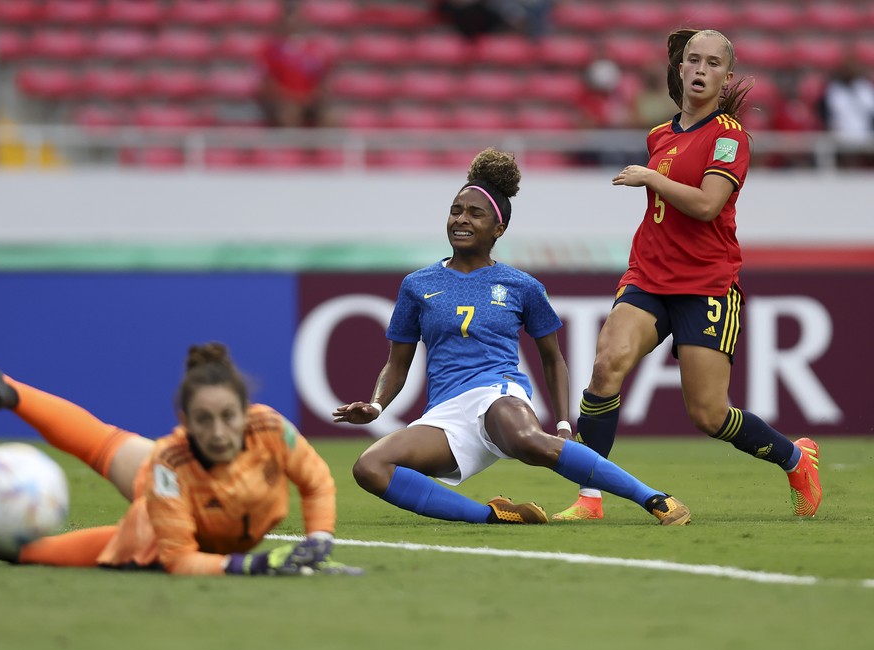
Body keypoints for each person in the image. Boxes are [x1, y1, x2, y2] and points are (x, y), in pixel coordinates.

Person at [333, 147, 691, 527]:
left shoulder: (522, 285)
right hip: (446, 412)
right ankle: (495, 517)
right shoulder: (417, 285)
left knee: (526, 439)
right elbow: (397, 363)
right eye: (456, 210)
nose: (461, 219)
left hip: (498, 392)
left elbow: (552, 359)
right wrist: (375, 406)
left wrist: (565, 424)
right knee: (370, 468)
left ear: (498, 228)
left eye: (475, 213)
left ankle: (655, 499)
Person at [550, 29, 822, 522]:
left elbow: (706, 205)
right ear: (680, 70)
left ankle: (796, 459)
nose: (701, 69)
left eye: (712, 63)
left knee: (708, 415)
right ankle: (590, 499)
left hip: (706, 285)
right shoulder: (660, 134)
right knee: (606, 365)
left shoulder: (729, 136)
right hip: (648, 276)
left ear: (726, 76)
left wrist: (652, 177)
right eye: (693, 60)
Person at [0, 323, 361, 576]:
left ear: (245, 410)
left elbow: (317, 481)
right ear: (184, 422)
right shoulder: (169, 463)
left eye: (228, 416)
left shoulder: (270, 427)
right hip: (178, 515)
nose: (217, 431)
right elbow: (180, 560)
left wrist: (320, 537)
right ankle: (24, 550)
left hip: (187, 486)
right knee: (128, 542)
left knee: (103, 442)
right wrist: (251, 565)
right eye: (203, 420)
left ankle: (10, 391)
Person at [257, 5, 335, 128]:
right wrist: (293, 97)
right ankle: (288, 147)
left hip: (312, 100)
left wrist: (311, 96)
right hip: (284, 101)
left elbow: (324, 79)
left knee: (332, 116)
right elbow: (268, 82)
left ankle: (327, 147)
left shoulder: (316, 48)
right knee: (289, 114)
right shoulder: (271, 49)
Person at [815, 58, 874, 168]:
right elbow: (825, 114)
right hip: (840, 135)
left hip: (865, 135)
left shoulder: (865, 88)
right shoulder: (833, 90)